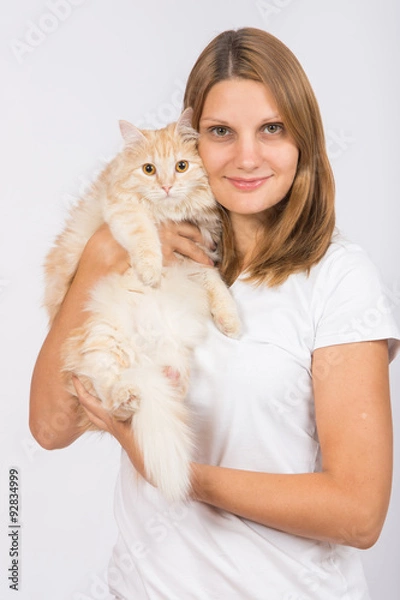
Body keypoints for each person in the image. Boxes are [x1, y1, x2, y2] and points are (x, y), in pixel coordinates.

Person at [30, 27, 400, 599]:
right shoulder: (149, 255)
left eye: (271, 129)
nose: (247, 156)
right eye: (221, 132)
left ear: (303, 137)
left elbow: (358, 514)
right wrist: (102, 253)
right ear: (189, 140)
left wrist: (180, 476)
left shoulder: (339, 279)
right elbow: (51, 428)